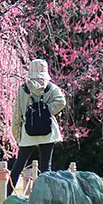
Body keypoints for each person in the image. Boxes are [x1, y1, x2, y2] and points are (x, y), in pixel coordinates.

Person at [7, 59, 66, 195]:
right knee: (46, 167)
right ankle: (46, 196)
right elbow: (61, 102)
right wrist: (47, 110)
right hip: (48, 132)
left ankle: (6, 195)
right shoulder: (51, 88)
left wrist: (17, 134)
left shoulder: (23, 89)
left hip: (28, 132)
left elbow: (17, 114)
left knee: (18, 165)